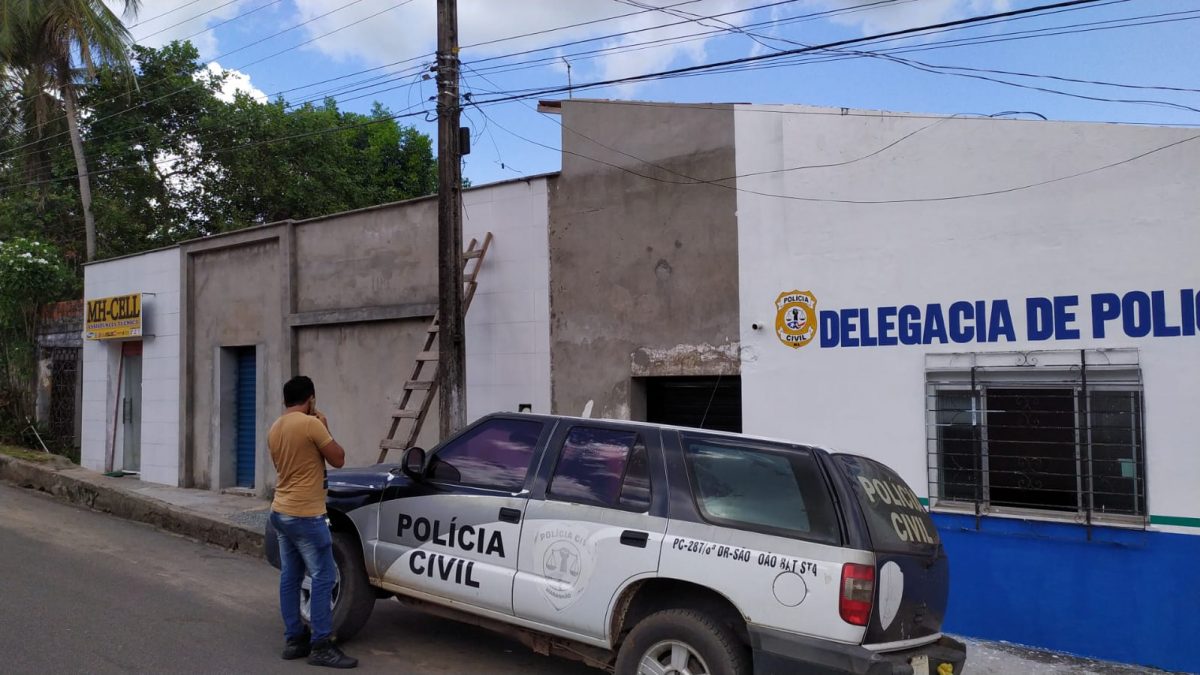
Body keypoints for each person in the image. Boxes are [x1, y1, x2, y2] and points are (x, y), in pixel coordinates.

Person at [268, 376, 357, 669]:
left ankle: (294, 640)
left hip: (280, 511)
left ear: (286, 400)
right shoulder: (312, 425)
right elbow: (339, 459)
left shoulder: (275, 428)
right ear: (311, 399)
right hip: (306, 514)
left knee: (290, 576)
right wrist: (325, 427)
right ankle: (321, 644)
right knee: (325, 576)